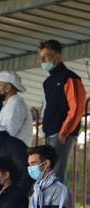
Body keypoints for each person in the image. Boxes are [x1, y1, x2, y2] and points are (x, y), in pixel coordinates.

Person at [37, 39, 86, 181]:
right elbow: (45, 107)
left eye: (45, 56)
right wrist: (44, 131)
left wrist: (64, 132)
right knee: (46, 173)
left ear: (57, 56)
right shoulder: (47, 82)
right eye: (40, 57)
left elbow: (76, 107)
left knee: (56, 173)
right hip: (49, 133)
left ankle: (58, 203)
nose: (41, 60)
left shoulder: (69, 77)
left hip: (62, 133)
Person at [0, 70, 34, 146]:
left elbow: (8, 132)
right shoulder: (8, 104)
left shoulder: (17, 103)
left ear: (8, 88)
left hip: (15, 153)